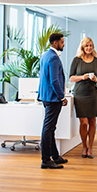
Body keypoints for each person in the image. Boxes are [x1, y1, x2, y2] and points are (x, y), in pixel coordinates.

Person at [38, 33, 69, 169]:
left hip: (46, 96)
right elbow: (55, 80)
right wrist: (62, 96)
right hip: (53, 97)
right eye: (62, 42)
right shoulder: (54, 58)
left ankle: (55, 156)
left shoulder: (45, 55)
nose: (63, 44)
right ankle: (46, 160)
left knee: (50, 128)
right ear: (55, 43)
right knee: (48, 128)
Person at [69, 37, 97, 158]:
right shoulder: (77, 60)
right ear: (83, 47)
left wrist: (95, 79)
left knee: (92, 121)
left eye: (91, 45)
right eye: (87, 46)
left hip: (92, 94)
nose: (89, 48)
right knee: (84, 122)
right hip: (80, 94)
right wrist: (82, 77)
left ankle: (91, 148)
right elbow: (71, 77)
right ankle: (84, 146)